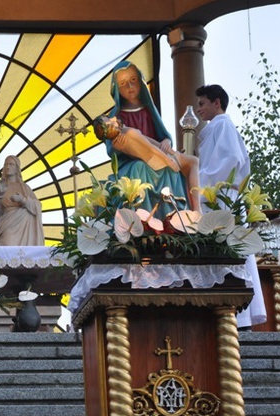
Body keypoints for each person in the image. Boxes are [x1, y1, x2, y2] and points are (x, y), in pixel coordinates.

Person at [195, 83, 266, 329]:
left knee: (231, 251)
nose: (198, 109)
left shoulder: (223, 125)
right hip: (218, 196)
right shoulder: (217, 128)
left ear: (217, 103)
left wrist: (198, 181)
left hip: (222, 197)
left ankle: (238, 314)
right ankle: (233, 312)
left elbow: (230, 160)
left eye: (202, 103)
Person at [102, 61, 200, 218]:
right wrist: (116, 147)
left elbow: (163, 135)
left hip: (157, 154)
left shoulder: (148, 109)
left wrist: (167, 141)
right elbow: (110, 147)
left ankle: (188, 214)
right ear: (116, 89)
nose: (129, 86)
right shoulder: (116, 117)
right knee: (141, 167)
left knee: (181, 165)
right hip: (131, 162)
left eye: (133, 80)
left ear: (140, 82)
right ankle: (145, 219)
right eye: (123, 83)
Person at [0, 155, 45, 246]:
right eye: (6, 164)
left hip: (25, 225)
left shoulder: (25, 187)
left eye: (11, 164)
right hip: (7, 224)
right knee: (8, 250)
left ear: (17, 168)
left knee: (25, 255)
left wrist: (23, 200)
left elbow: (37, 205)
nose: (7, 167)